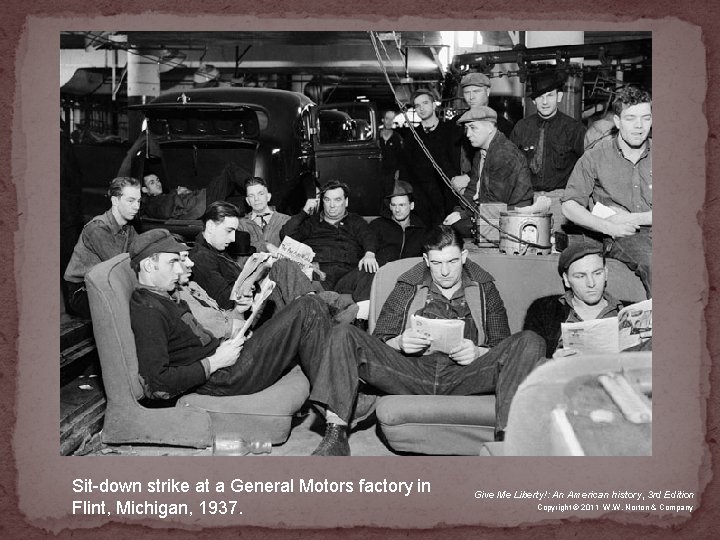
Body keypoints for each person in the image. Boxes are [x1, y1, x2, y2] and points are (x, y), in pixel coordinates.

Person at [312, 225, 547, 453]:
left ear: (464, 256)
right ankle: (335, 436)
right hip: (412, 373)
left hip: (466, 375)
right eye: (436, 263)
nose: (445, 271)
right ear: (426, 260)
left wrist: (478, 352)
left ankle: (508, 442)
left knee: (530, 340)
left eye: (452, 261)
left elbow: (502, 344)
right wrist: (400, 342)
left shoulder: (484, 288)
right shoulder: (408, 285)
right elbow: (380, 338)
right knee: (343, 332)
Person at [127, 229, 360, 456]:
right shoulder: (147, 309)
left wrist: (230, 339)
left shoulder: (165, 296)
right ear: (149, 265)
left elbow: (191, 342)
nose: (180, 270)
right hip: (222, 376)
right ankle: (338, 412)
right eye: (172, 263)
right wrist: (213, 362)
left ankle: (339, 396)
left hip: (227, 356)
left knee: (292, 291)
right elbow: (157, 384)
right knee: (308, 307)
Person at [561, 86, 652, 297]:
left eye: (646, 118)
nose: (639, 126)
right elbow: (569, 206)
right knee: (655, 262)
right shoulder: (596, 157)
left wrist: (632, 217)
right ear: (618, 122)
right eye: (630, 118)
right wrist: (607, 226)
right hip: (625, 236)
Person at [510, 70, 586, 233]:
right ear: (534, 100)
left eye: (550, 95)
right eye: (540, 97)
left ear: (559, 97)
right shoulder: (521, 128)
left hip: (560, 202)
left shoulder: (574, 129)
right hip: (527, 199)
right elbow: (510, 168)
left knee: (557, 249)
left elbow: (588, 169)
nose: (545, 102)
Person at [523, 241, 627, 357]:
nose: (591, 283)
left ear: (606, 273)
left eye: (597, 273)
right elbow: (527, 363)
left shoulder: (627, 311)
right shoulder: (545, 310)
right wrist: (552, 363)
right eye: (580, 276)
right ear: (566, 280)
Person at [280, 180, 378, 301]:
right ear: (322, 201)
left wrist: (369, 253)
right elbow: (286, 237)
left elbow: (368, 236)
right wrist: (304, 211)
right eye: (327, 200)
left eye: (337, 200)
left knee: (371, 269)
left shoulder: (356, 221)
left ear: (346, 202)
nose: (332, 205)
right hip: (320, 274)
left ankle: (358, 315)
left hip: (348, 275)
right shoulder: (312, 223)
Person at [444, 107, 534, 238]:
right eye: (466, 129)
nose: (468, 134)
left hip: (512, 220)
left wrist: (463, 215)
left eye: (473, 128)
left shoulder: (503, 154)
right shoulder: (480, 153)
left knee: (455, 229)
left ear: (490, 127)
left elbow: (494, 203)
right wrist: (459, 211)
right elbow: (472, 189)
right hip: (490, 213)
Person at [64, 176, 141, 318]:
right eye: (131, 201)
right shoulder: (97, 228)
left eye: (138, 201)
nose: (137, 206)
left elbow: (141, 251)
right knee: (138, 308)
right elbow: (120, 266)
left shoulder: (128, 227)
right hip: (82, 292)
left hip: (106, 283)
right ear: (115, 200)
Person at [401, 88, 462, 226]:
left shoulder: (449, 131)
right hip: (422, 198)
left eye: (425, 103)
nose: (421, 108)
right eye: (417, 106)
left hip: (447, 195)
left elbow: (456, 161)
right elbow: (405, 169)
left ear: (434, 105)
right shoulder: (412, 136)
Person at [140, 169, 242, 221]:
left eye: (157, 180)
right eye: (152, 183)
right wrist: (176, 193)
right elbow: (165, 213)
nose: (158, 184)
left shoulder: (163, 197)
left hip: (202, 199)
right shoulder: (150, 204)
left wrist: (187, 193)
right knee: (229, 170)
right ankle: (256, 185)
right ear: (144, 189)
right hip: (204, 205)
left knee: (239, 201)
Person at [368, 180, 427, 267]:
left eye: (401, 205)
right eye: (394, 205)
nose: (397, 210)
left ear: (411, 206)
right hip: (381, 275)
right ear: (390, 206)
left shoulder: (421, 230)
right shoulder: (377, 225)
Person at [236, 177, 291, 254]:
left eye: (260, 194)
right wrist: (266, 246)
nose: (256, 199)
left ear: (268, 197)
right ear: (248, 201)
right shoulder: (240, 224)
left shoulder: (286, 220)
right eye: (251, 195)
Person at [378, 110, 405, 201]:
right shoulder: (376, 137)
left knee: (389, 197)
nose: (389, 122)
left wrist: (398, 172)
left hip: (391, 174)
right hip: (377, 172)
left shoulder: (397, 138)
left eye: (392, 119)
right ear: (382, 120)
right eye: (387, 119)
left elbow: (401, 157)